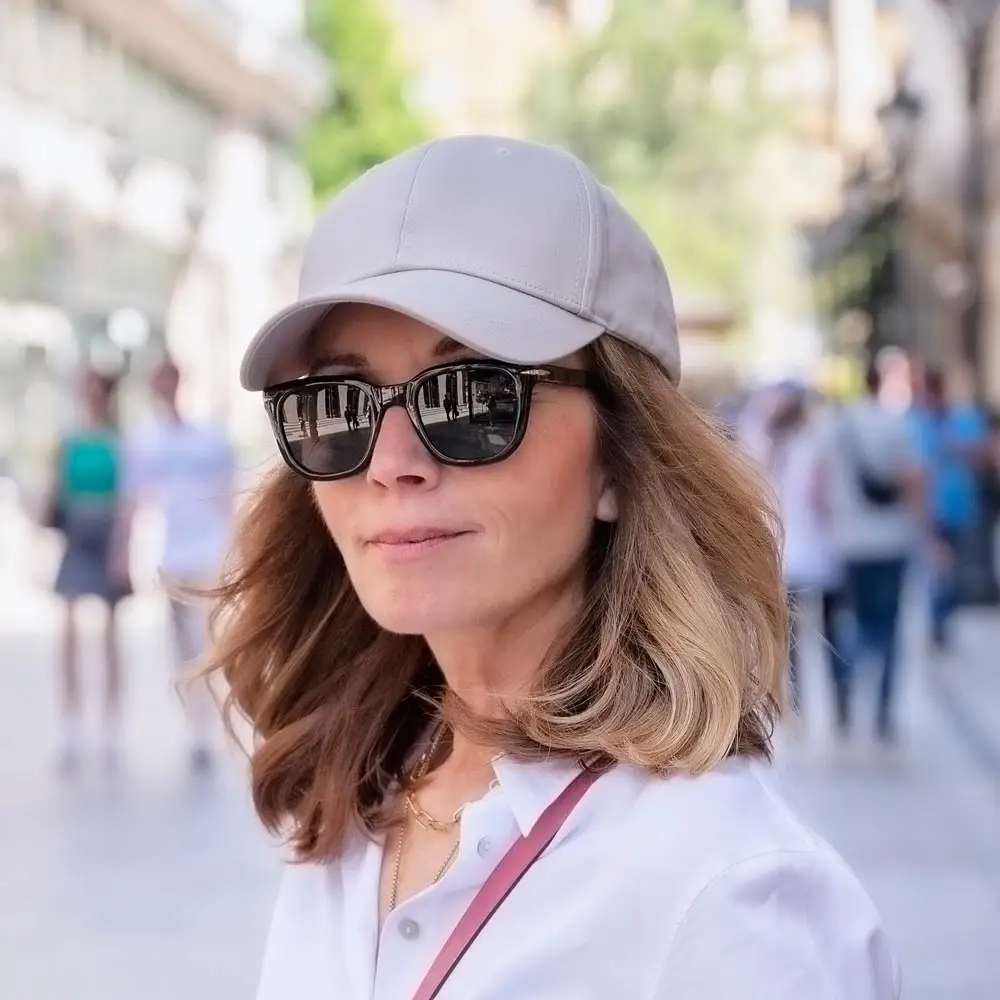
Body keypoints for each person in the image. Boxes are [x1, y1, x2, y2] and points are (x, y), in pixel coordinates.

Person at [208, 136, 898, 999]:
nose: (390, 462)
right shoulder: (352, 808)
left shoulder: (727, 899)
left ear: (619, 455)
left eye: (469, 398)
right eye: (336, 406)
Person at [118, 359, 234, 771]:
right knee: (181, 647)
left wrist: (235, 551)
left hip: (207, 551)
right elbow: (132, 501)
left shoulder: (209, 439)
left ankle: (210, 726)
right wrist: (125, 549)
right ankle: (194, 724)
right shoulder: (144, 440)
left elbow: (227, 496)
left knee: (205, 641)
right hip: (169, 555)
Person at [822, 359, 936, 741]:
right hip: (892, 540)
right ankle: (883, 711)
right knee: (888, 624)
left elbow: (817, 484)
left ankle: (847, 688)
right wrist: (928, 535)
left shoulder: (838, 425)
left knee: (855, 620)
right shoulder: (897, 424)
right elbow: (914, 479)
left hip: (851, 542)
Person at [45, 369, 130, 772]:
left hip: (107, 530)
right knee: (68, 628)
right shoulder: (69, 440)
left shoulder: (119, 442)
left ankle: (111, 723)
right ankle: (71, 721)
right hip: (77, 533)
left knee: (111, 631)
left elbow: (127, 496)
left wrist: (122, 548)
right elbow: (54, 492)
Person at [761, 385, 849, 729]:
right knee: (833, 632)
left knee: (793, 640)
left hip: (785, 558)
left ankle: (798, 705)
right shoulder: (814, 449)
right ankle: (841, 697)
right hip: (821, 554)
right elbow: (822, 497)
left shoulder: (770, 452)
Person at [910, 368, 991, 648]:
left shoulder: (965, 420)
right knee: (936, 570)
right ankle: (938, 619)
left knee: (956, 570)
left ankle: (945, 613)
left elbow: (986, 452)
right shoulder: (916, 423)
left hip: (961, 507)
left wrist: (962, 449)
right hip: (931, 510)